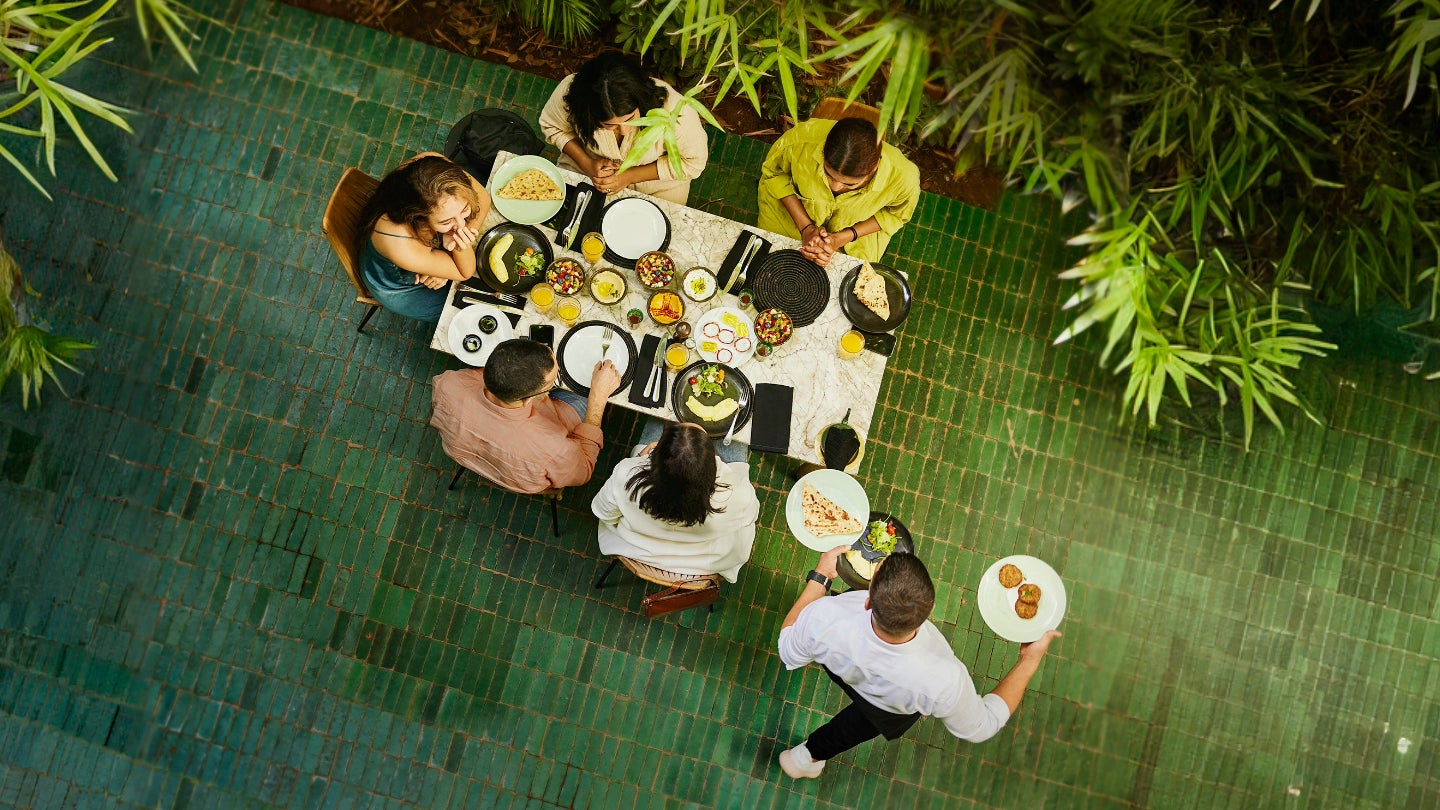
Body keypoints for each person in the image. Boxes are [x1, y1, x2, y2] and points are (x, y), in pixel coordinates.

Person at [776, 548, 1061, 779]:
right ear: (929, 610)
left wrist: (821, 576)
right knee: (859, 725)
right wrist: (1029, 660)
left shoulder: (825, 618)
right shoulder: (943, 681)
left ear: (867, 601)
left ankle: (808, 757)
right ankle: (805, 757)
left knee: (858, 712)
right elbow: (984, 725)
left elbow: (789, 648)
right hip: (892, 703)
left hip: (841, 665)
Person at [430, 338, 621, 494]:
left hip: (472, 455)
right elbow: (584, 470)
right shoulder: (553, 448)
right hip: (537, 456)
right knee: (583, 394)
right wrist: (598, 397)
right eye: (551, 384)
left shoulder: (449, 384)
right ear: (528, 400)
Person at [590, 421, 759, 582]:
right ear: (711, 470)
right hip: (704, 562)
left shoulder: (625, 476)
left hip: (637, 549)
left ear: (654, 462)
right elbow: (752, 515)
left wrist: (638, 461)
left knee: (656, 422)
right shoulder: (736, 495)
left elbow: (604, 513)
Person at [539, 52, 708, 205]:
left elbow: (693, 162)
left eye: (630, 119)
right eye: (609, 125)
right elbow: (553, 126)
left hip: (657, 185)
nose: (625, 131)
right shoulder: (572, 94)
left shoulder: (675, 112)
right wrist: (587, 163)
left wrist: (629, 176)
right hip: (584, 169)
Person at [757, 116, 920, 266]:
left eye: (849, 184)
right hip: (792, 213)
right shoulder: (799, 141)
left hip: (857, 234)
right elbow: (773, 172)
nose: (834, 187)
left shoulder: (904, 178)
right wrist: (806, 228)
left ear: (874, 167)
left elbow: (896, 214)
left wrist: (841, 238)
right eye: (828, 174)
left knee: (851, 281)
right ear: (823, 152)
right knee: (770, 257)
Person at [359, 153, 491, 322]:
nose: (461, 224)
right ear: (420, 219)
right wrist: (459, 247)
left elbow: (484, 199)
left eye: (464, 209)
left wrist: (445, 267)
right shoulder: (401, 244)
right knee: (467, 312)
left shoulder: (431, 168)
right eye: (447, 221)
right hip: (403, 284)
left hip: (422, 253)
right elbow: (464, 272)